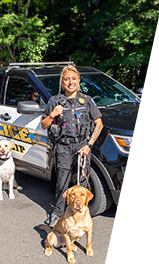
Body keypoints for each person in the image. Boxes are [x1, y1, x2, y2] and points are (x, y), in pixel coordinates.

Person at [41, 65, 103, 226]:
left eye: (73, 79)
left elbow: (99, 124)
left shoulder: (87, 100)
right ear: (62, 81)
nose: (70, 82)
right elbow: (43, 125)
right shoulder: (54, 101)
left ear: (78, 81)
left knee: (81, 181)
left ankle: (79, 214)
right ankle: (57, 212)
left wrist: (89, 145)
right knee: (62, 181)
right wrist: (53, 114)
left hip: (82, 146)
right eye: (67, 79)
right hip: (63, 147)